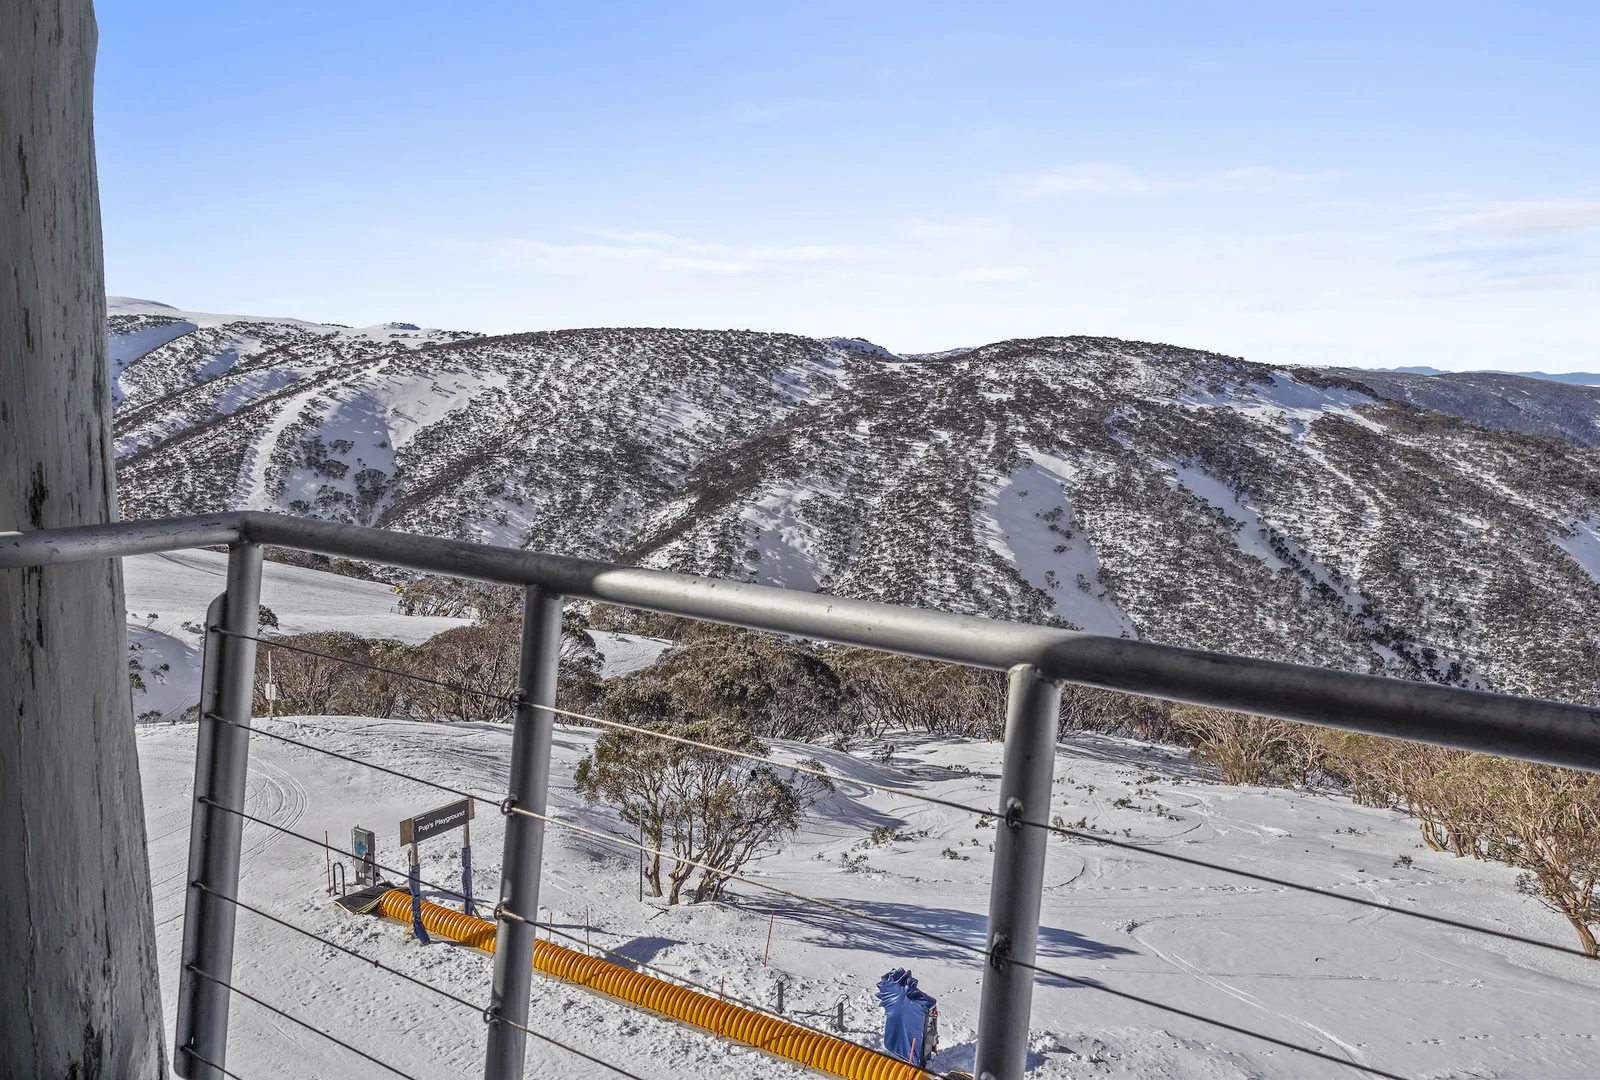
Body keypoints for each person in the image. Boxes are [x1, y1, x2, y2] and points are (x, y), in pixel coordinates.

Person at [876, 968, 938, 1067]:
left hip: (910, 1054)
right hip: (907, 1052)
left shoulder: (896, 995)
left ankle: (912, 1057)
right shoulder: (898, 997)